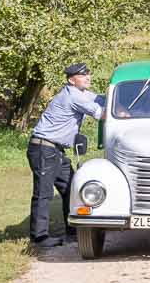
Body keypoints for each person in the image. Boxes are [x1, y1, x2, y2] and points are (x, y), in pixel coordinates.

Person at [27, 62, 102, 260]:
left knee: (71, 187)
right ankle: (39, 237)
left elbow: (103, 100)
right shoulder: (73, 96)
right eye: (82, 75)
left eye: (88, 74)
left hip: (55, 150)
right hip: (44, 148)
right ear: (71, 80)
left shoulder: (80, 93)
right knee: (43, 193)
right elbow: (101, 113)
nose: (88, 77)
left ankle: (72, 231)